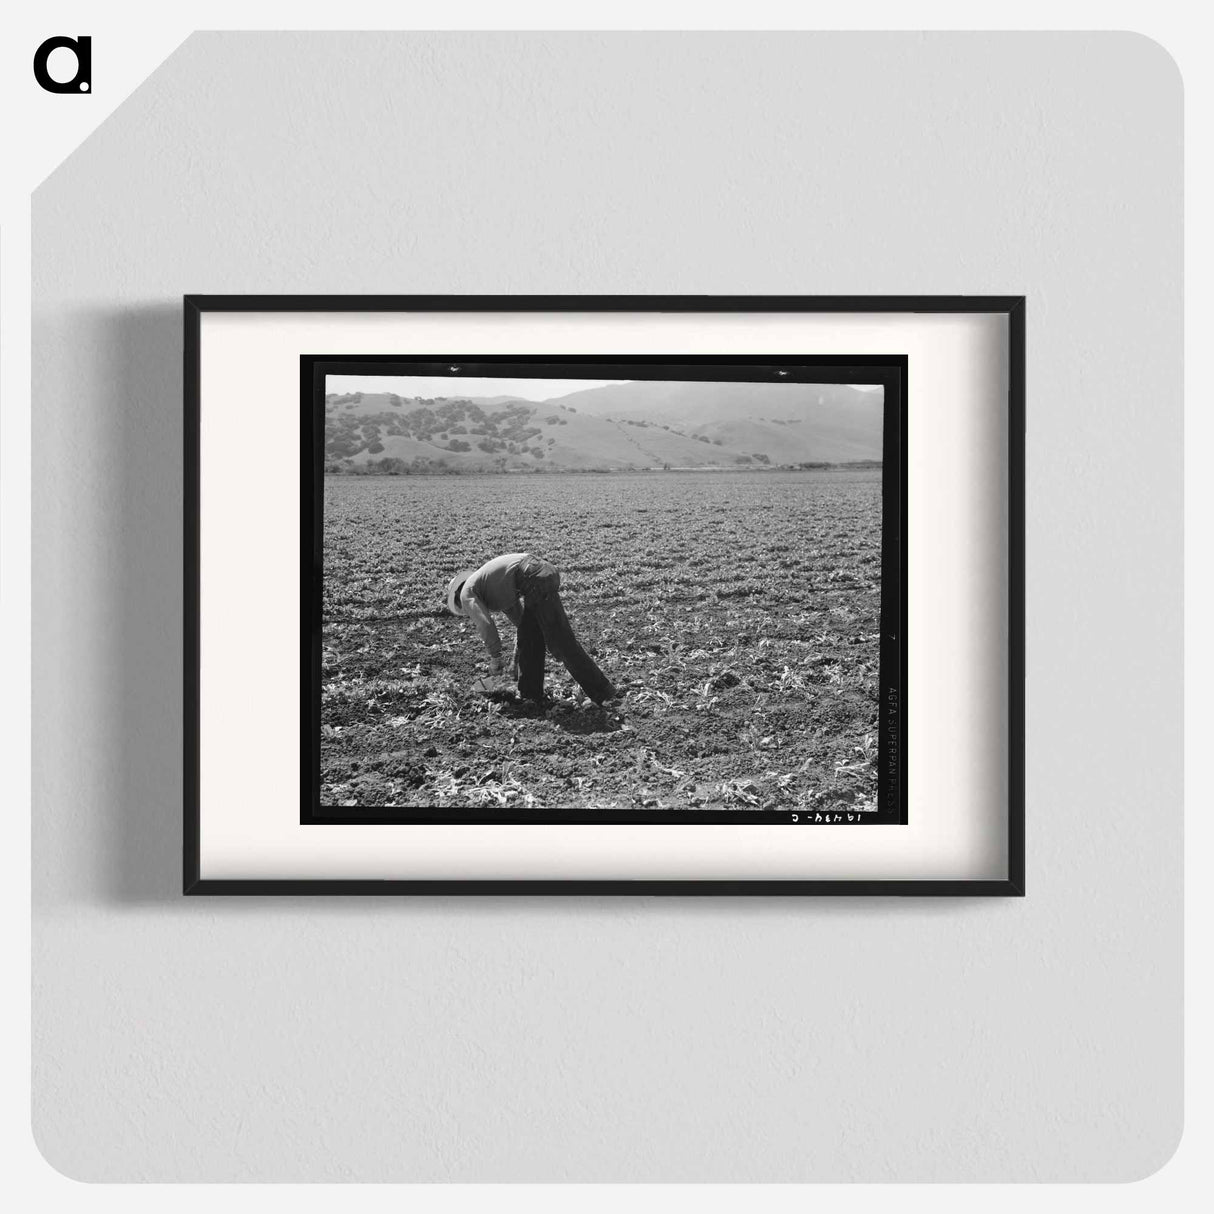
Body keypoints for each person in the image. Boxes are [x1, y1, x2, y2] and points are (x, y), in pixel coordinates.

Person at [445, 553, 617, 705]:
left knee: (561, 643)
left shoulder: (466, 593)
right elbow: (521, 622)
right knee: (530, 639)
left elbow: (485, 624)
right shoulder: (489, 586)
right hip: (539, 573)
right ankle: (531, 696)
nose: (465, 610)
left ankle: (603, 693)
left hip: (534, 578)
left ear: (457, 596)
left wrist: (496, 657)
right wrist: (516, 657)